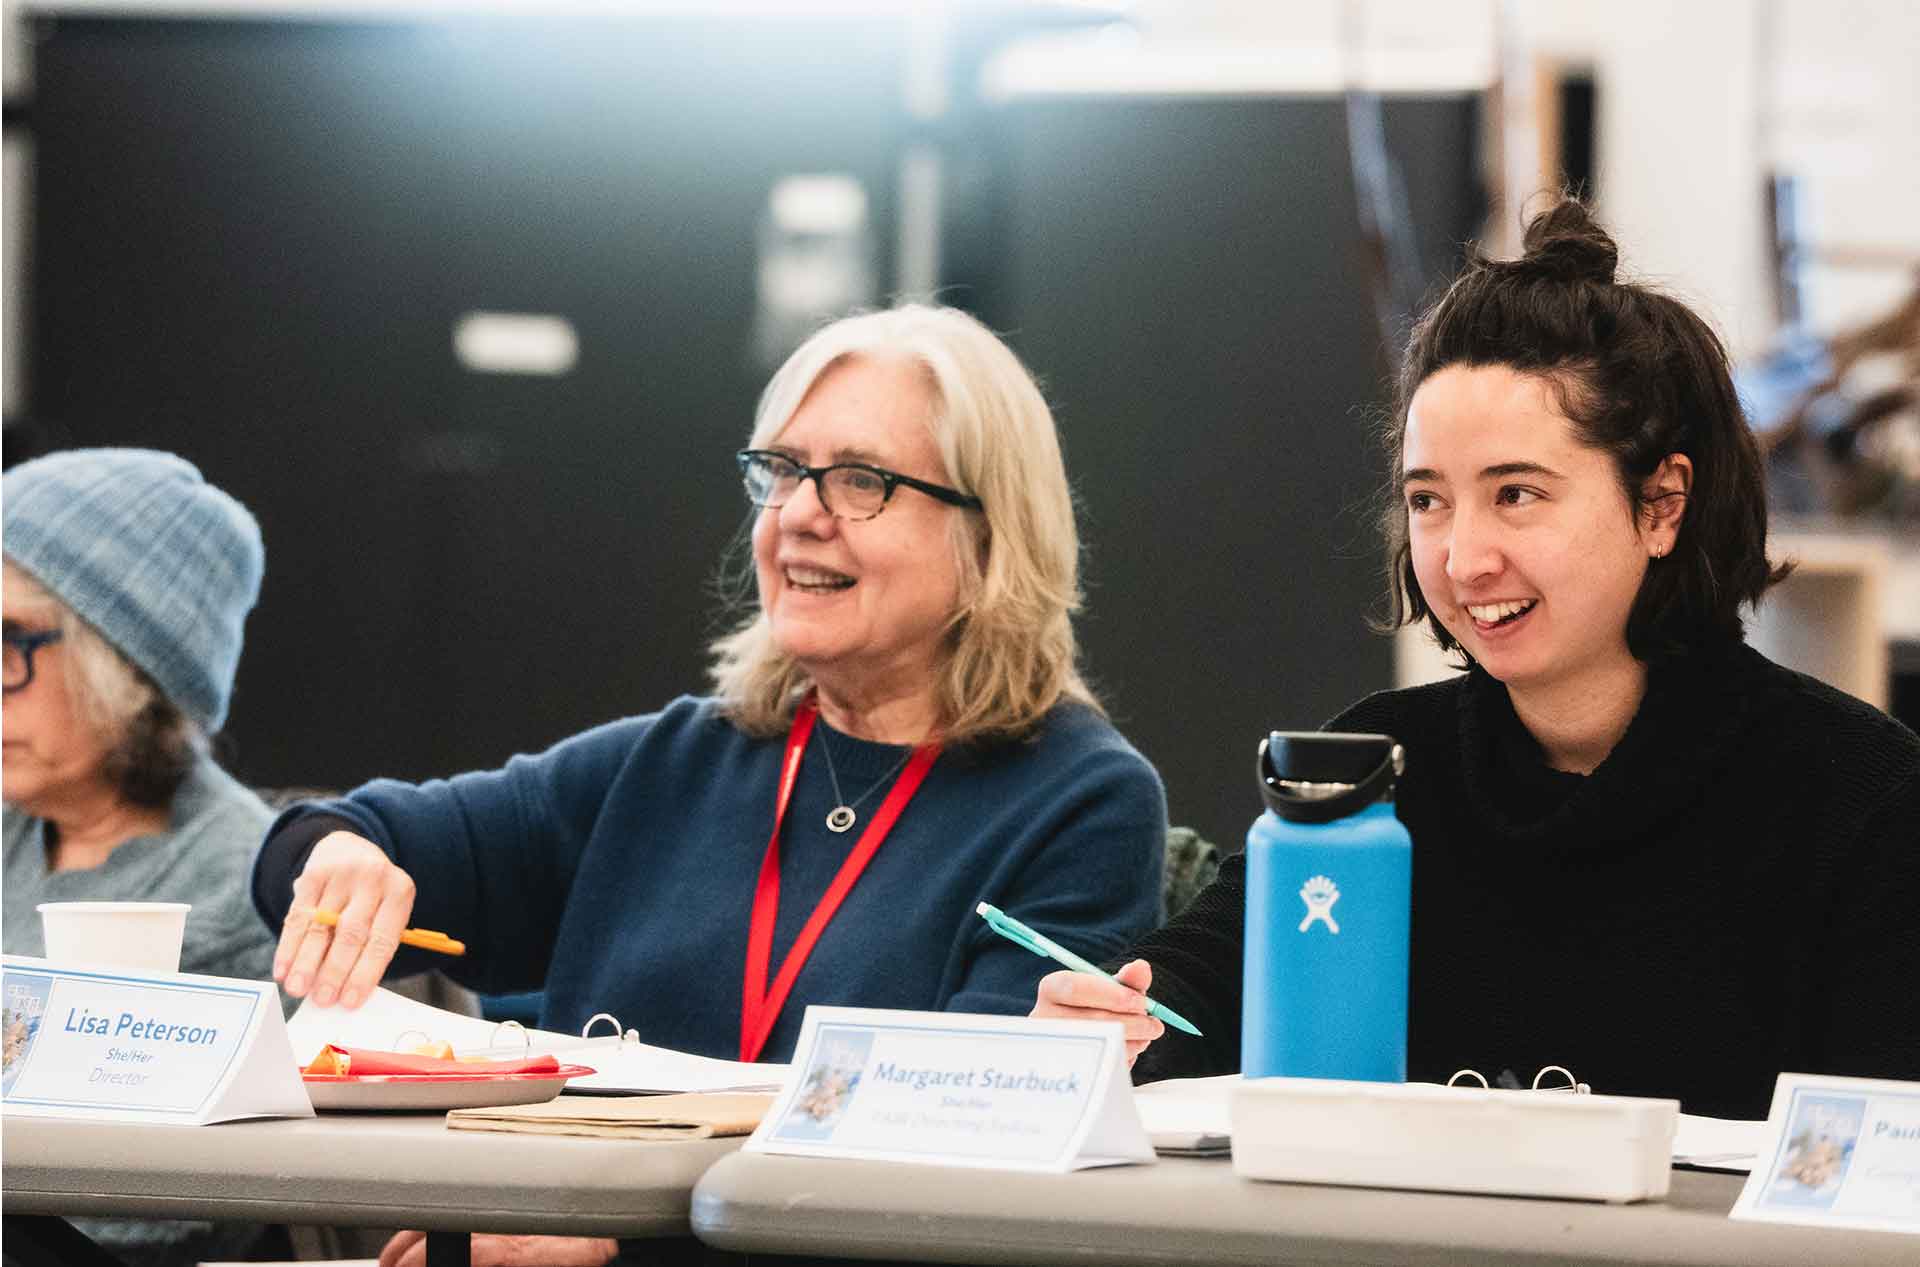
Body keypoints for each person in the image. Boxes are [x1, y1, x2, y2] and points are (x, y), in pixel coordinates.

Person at [252, 304, 1166, 1267]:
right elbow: (312, 846)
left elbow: (949, 1182)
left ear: (989, 538)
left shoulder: (1081, 801)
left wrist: (607, 1244)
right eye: (781, 471)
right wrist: (339, 859)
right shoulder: (677, 759)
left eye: (861, 480)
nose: (799, 513)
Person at [1032, 198, 1920, 1121]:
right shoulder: (1377, 770)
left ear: (1661, 506)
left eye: (1516, 494)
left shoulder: (1861, 801)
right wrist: (1109, 1028)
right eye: (1429, 502)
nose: (1463, 558)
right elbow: (1196, 993)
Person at [2, 447, 276, 1267]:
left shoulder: (242, 886)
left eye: (9, 640)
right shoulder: (21, 818)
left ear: (122, 666)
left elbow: (176, 1217)